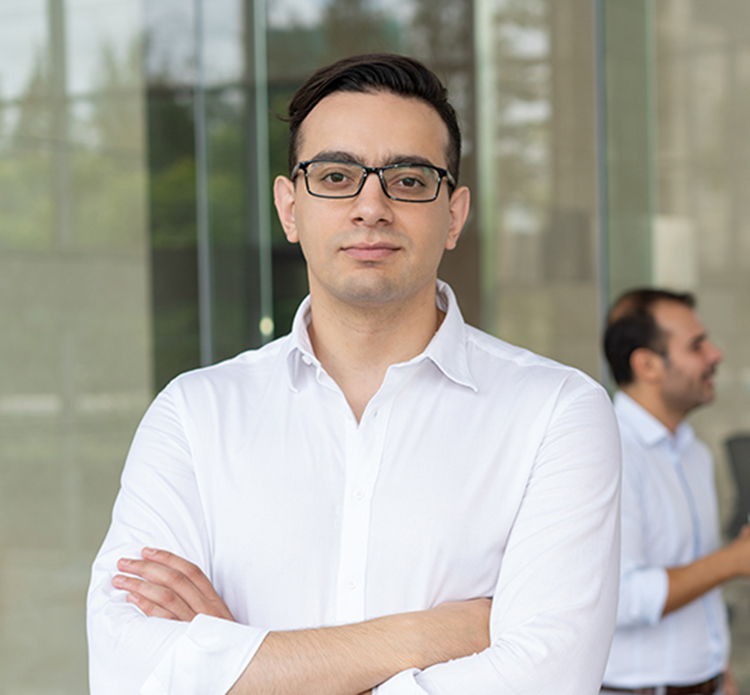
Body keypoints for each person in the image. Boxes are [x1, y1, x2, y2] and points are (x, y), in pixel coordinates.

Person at [87, 53, 621, 695]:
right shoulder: (194, 414)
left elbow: (548, 679)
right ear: (289, 208)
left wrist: (233, 665)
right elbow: (128, 672)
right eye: (336, 176)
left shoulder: (557, 412)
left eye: (410, 180)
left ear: (454, 215)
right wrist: (426, 636)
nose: (372, 207)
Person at [601, 288, 750, 695]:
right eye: (696, 345)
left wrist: (718, 668)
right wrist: (733, 561)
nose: (715, 355)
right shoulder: (607, 451)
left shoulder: (693, 452)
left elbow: (693, 575)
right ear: (647, 364)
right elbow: (622, 597)